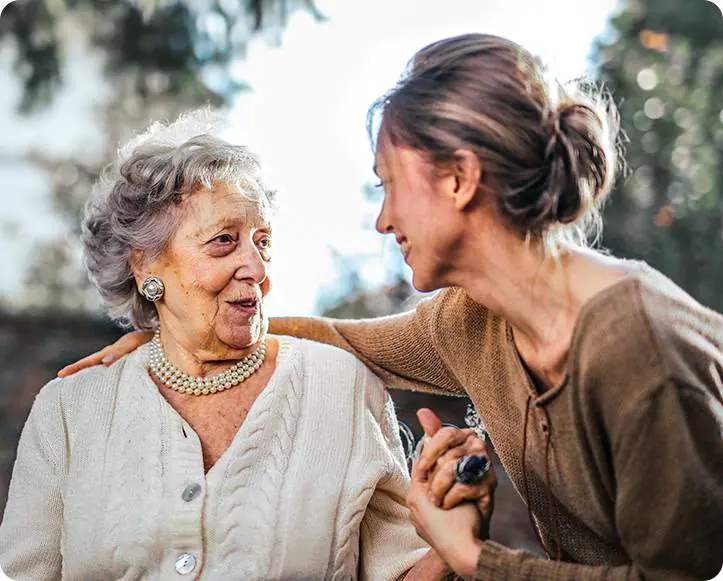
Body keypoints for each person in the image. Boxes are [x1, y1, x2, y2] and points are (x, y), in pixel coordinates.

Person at [59, 33, 723, 580]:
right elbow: (343, 341)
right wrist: (177, 332)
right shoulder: (471, 322)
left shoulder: (639, 348)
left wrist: (469, 554)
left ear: (459, 179)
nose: (382, 220)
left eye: (389, 186)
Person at [0, 110, 493, 581]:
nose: (257, 270)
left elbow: (401, 573)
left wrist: (452, 546)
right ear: (146, 265)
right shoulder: (68, 410)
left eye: (263, 242)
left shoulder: (341, 387)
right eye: (223, 241)